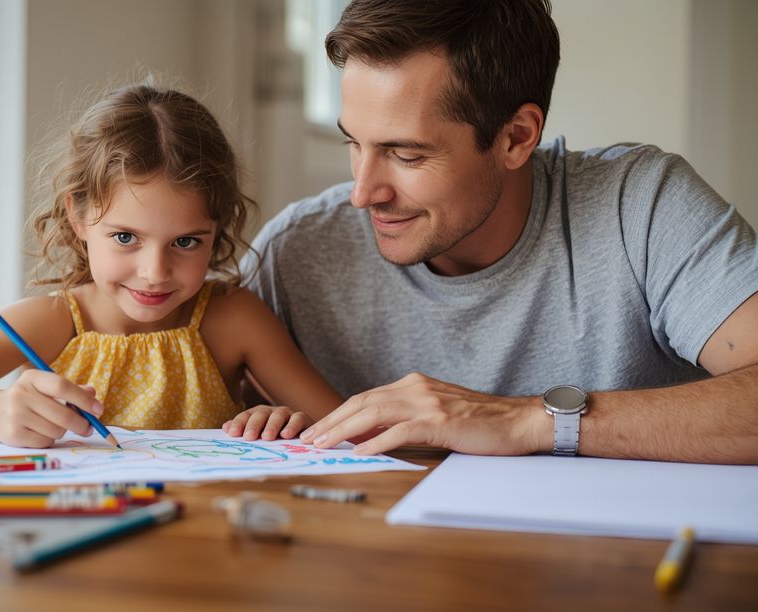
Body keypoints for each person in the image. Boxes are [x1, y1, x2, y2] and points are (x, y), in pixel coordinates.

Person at [225, 0, 758, 463]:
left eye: (405, 154)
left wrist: (522, 421)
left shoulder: (639, 207)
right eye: (354, 144)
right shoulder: (298, 250)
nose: (363, 193)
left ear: (516, 137)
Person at [0, 83, 341, 448]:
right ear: (78, 216)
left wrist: (285, 423)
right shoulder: (51, 323)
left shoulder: (232, 319)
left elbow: (345, 429)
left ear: (218, 230)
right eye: (125, 237)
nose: (154, 271)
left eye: (186, 241)